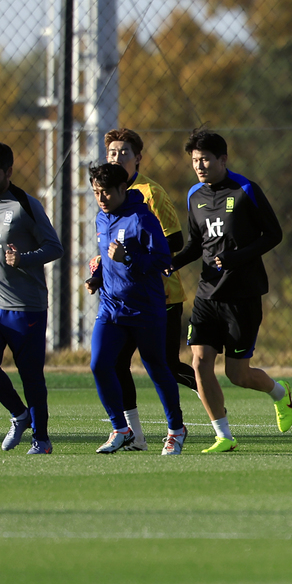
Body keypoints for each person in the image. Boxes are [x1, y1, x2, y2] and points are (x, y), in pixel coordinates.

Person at [170, 129, 290, 453]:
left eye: (206, 159)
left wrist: (235, 258)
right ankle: (223, 435)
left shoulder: (245, 189)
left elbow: (273, 234)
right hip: (207, 294)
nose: (200, 165)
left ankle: (279, 392)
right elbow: (197, 244)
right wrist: (174, 262)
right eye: (195, 160)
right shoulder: (194, 195)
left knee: (237, 374)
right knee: (199, 363)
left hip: (243, 295)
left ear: (223, 159)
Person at [103, 128, 197, 452]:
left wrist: (129, 253)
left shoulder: (150, 193)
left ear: (138, 158)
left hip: (161, 295)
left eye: (124, 153)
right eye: (113, 153)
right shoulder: (107, 195)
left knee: (164, 366)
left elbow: (173, 241)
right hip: (122, 298)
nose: (118, 158)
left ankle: (210, 401)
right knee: (114, 364)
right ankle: (134, 435)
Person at [0, 142, 63, 454]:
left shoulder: (26, 205)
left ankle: (42, 440)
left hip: (25, 307)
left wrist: (23, 259)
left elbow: (54, 247)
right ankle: (19, 415)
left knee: (31, 375)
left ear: (8, 172)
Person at [83, 163, 187, 455]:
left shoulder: (142, 218)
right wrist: (97, 277)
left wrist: (129, 256)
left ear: (121, 189)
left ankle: (176, 431)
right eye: (96, 192)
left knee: (156, 368)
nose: (101, 198)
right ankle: (121, 429)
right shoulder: (101, 219)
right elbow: (107, 257)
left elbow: (163, 261)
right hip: (111, 308)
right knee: (99, 365)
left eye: (105, 192)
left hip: (145, 309)